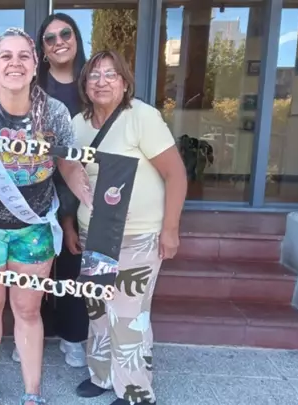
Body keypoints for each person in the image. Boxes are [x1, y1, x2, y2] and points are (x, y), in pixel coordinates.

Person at [0, 28, 93, 405]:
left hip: (35, 229)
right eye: (6, 56)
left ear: (34, 65)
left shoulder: (55, 112)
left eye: (23, 56)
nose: (15, 63)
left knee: (28, 311)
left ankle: (33, 392)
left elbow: (70, 166)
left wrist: (97, 206)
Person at [68, 50, 187, 405]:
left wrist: (170, 228)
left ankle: (135, 391)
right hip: (95, 234)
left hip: (139, 234)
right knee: (97, 308)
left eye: (111, 75)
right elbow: (72, 177)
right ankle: (102, 375)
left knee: (128, 314)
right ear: (85, 84)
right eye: (94, 75)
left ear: (124, 82)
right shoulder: (77, 124)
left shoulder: (142, 117)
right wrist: (70, 224)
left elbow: (176, 174)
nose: (102, 82)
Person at [25, 12, 89, 369]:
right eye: (50, 38)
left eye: (66, 34)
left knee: (72, 264)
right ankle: (29, 332)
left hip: (80, 184)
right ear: (43, 48)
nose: (59, 41)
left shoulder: (90, 83)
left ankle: (72, 335)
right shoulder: (33, 85)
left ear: (76, 38)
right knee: (31, 263)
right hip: (35, 185)